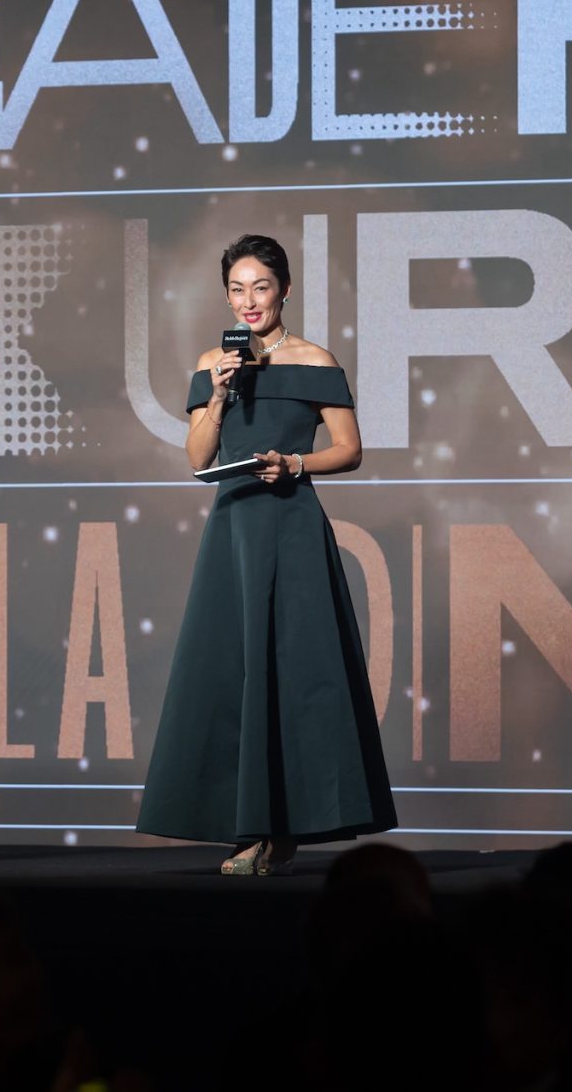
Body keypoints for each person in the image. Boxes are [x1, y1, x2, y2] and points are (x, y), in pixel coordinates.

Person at [135, 234, 396, 874]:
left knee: (298, 674)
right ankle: (249, 826)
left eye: (260, 287)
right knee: (232, 672)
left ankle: (283, 829)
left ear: (284, 290)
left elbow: (350, 449)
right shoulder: (213, 363)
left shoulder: (314, 360)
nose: (248, 301)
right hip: (234, 527)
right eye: (236, 289)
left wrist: (296, 463)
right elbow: (198, 457)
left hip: (292, 523)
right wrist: (219, 394)